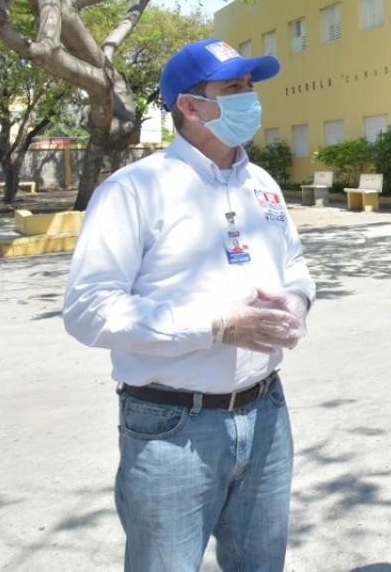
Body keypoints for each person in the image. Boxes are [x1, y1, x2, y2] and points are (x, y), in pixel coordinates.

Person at [64, 38, 315, 572]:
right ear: (190, 105)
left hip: (267, 412)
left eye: (250, 87)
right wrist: (217, 324)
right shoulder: (135, 190)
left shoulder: (264, 186)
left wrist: (296, 302)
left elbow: (296, 268)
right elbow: (88, 308)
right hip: (173, 425)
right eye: (233, 89)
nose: (250, 99)